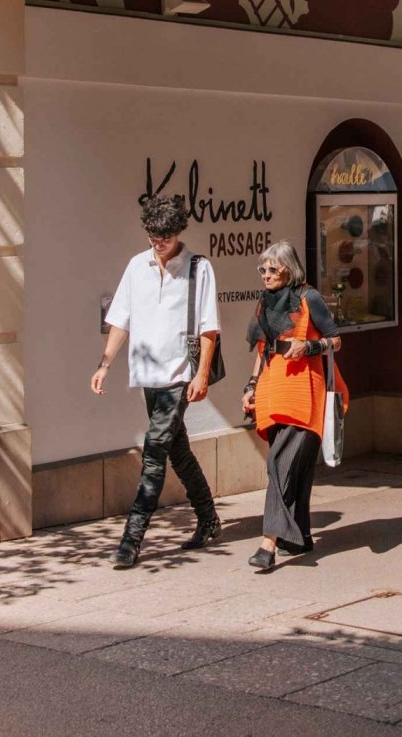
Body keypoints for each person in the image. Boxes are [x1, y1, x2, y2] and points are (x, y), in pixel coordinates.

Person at [92, 195, 221, 569]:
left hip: (179, 375)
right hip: (147, 376)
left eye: (164, 236)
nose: (158, 242)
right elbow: (121, 319)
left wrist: (201, 375)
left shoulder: (199, 268)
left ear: (178, 231)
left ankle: (131, 539)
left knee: (153, 453)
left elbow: (209, 327)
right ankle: (209, 519)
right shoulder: (136, 266)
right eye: (152, 235)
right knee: (176, 450)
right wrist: (104, 364)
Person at [242, 240, 346, 572]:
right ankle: (298, 536)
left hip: (305, 393)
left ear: (290, 269)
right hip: (273, 391)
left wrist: (309, 345)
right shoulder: (264, 303)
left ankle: (268, 543)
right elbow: (262, 349)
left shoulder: (308, 298)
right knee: (294, 469)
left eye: (273, 269)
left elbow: (336, 339)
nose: (267, 275)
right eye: (263, 269)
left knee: (278, 465)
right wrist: (251, 387)